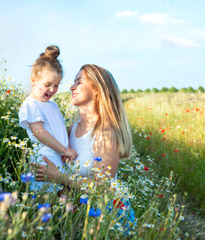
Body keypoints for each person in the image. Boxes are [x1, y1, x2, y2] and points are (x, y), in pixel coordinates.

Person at [31, 63, 132, 189]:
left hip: (104, 208)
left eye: (79, 82)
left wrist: (58, 177)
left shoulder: (105, 134)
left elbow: (103, 187)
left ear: (95, 89)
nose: (72, 88)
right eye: (74, 82)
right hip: (74, 205)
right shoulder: (71, 130)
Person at [19, 45, 78, 192]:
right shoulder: (31, 104)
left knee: (61, 202)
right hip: (45, 159)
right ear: (34, 80)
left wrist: (66, 149)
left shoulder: (52, 105)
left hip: (58, 158)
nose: (52, 89)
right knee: (44, 200)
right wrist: (64, 149)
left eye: (56, 85)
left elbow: (59, 131)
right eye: (47, 85)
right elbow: (39, 132)